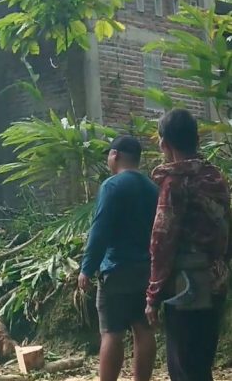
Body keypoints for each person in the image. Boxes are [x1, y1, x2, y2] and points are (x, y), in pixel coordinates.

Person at [145, 109, 231, 381]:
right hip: (216, 282)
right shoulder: (215, 177)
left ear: (164, 143)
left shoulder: (175, 183)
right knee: (201, 363)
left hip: (186, 288)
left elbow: (162, 240)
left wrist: (153, 296)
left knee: (183, 368)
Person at [78, 135, 158, 381]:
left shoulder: (112, 186)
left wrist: (87, 268)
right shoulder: (152, 187)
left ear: (115, 155)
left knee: (112, 332)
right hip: (147, 269)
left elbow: (100, 230)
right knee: (143, 328)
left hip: (116, 270)